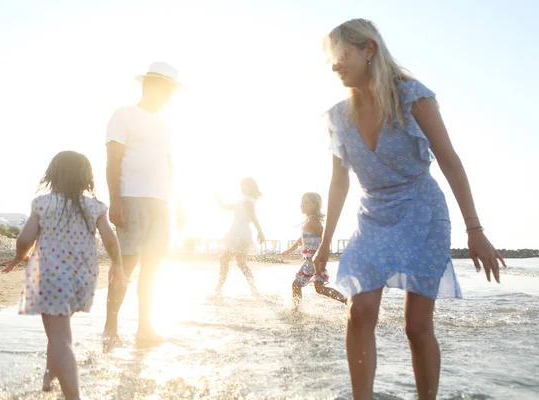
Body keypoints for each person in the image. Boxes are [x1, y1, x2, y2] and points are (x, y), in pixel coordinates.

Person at [312, 19, 507, 400]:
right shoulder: (338, 117)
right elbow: (339, 182)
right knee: (359, 311)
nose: (335, 65)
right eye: (331, 60)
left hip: (422, 213)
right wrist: (324, 243)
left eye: (341, 55)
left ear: (369, 50)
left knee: (416, 326)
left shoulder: (412, 97)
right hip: (373, 215)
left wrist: (475, 229)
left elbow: (449, 159)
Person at [3, 151, 125, 400]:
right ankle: (50, 373)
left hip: (50, 277)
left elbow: (26, 238)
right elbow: (110, 240)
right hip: (81, 279)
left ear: (53, 176)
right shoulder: (95, 207)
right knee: (59, 331)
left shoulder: (44, 204)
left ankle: (73, 397)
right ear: (85, 179)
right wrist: (118, 265)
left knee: (59, 336)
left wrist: (19, 256)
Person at [103, 61, 184, 344]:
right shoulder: (123, 115)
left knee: (152, 267)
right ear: (149, 85)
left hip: (161, 202)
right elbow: (113, 160)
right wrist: (115, 201)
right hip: (132, 197)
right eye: (165, 89)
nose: (167, 95)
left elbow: (170, 167)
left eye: (171, 91)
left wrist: (180, 204)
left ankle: (144, 328)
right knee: (126, 265)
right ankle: (110, 327)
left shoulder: (166, 125)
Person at [282, 192, 346, 310]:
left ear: (314, 205)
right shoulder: (308, 221)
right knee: (320, 288)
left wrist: (322, 253)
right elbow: (301, 239)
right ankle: (349, 302)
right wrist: (290, 249)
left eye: (306, 202)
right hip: (315, 259)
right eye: (302, 202)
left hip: (313, 259)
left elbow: (326, 236)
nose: (302, 205)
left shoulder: (313, 221)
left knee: (296, 284)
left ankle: (295, 311)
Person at [214, 177, 265, 296]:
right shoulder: (243, 200)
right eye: (241, 185)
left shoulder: (248, 200)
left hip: (239, 233)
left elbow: (253, 216)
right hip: (239, 232)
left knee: (225, 259)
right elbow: (228, 207)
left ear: (252, 187)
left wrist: (260, 231)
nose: (242, 188)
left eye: (245, 185)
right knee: (240, 262)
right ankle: (253, 289)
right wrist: (218, 201)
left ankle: (218, 288)